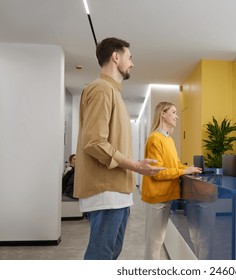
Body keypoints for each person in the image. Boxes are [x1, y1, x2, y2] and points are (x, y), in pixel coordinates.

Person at [73, 37, 164, 260]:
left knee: (111, 254)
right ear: (116, 57)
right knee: (101, 256)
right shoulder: (102, 90)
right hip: (106, 192)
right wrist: (136, 166)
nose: (132, 63)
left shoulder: (113, 92)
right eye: (129, 57)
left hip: (118, 191)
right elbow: (94, 142)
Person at [141, 101, 202, 260]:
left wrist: (190, 168)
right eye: (173, 112)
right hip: (157, 197)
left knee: (158, 240)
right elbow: (156, 173)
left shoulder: (169, 139)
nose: (177, 116)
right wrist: (183, 171)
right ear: (163, 113)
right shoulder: (156, 138)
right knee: (154, 243)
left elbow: (174, 164)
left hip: (166, 196)